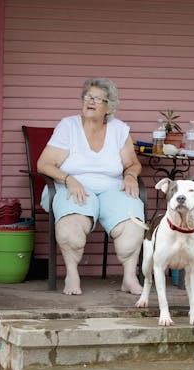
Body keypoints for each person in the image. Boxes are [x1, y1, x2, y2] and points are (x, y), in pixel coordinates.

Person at [37, 78, 145, 295]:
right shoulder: (68, 126)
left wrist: (131, 175)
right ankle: (72, 275)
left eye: (97, 99)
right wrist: (68, 179)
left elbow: (132, 163)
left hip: (112, 189)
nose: (90, 102)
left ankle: (129, 277)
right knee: (70, 232)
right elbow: (44, 164)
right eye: (88, 97)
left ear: (109, 107)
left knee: (132, 227)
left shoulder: (119, 130)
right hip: (73, 186)